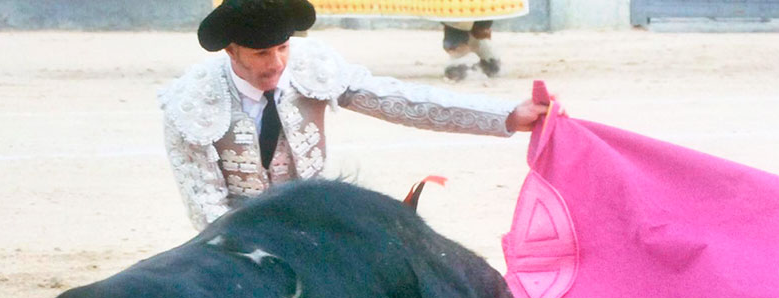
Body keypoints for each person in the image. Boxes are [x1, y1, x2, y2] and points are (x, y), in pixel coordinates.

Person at [160, 0, 549, 230]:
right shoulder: (192, 101)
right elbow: (208, 210)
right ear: (231, 51)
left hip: (316, 224)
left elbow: (401, 100)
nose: (277, 63)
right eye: (262, 53)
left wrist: (507, 115)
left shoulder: (311, 65)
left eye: (283, 47)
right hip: (236, 247)